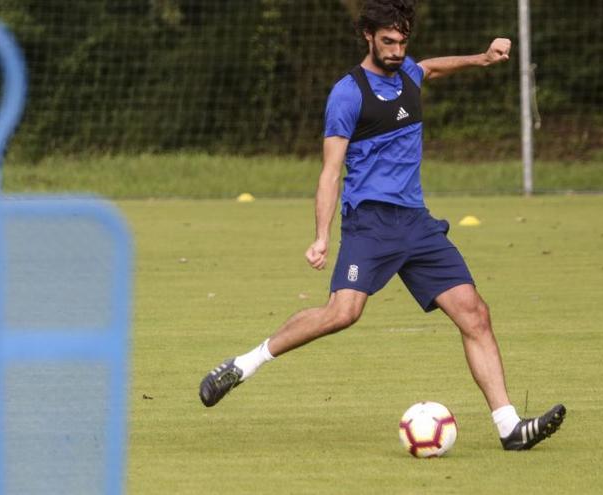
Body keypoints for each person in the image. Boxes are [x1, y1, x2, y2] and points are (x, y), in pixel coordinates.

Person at [199, 0, 565, 451]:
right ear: (367, 37)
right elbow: (330, 172)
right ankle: (244, 363)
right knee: (342, 313)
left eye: (402, 41)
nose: (396, 50)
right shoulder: (348, 94)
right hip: (369, 224)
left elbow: (430, 68)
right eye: (387, 41)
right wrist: (320, 235)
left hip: (417, 223)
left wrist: (481, 59)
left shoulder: (408, 73)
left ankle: (510, 427)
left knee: (475, 313)